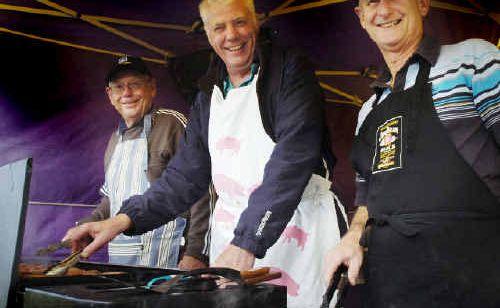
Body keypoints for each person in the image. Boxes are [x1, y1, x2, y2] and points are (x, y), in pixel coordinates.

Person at [64, 0, 347, 307]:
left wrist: (247, 241)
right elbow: (184, 178)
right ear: (209, 36)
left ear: (255, 23)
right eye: (219, 27)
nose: (231, 35)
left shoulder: (290, 71)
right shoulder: (207, 93)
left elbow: (292, 159)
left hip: (297, 230)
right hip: (234, 237)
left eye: (239, 23)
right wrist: (121, 220)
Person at [325, 0, 500, 307]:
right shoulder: (368, 111)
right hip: (392, 285)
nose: (384, 10)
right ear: (361, 18)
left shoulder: (474, 60)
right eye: (371, 2)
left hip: (476, 280)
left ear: (422, 4)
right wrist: (352, 237)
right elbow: (368, 197)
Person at [65, 55, 210, 270]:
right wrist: (86, 225)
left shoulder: (172, 124)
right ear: (110, 95)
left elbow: (204, 188)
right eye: (119, 87)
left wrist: (196, 253)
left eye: (135, 84)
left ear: (152, 88)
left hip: (170, 258)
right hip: (123, 263)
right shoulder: (114, 141)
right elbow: (111, 200)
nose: (127, 93)